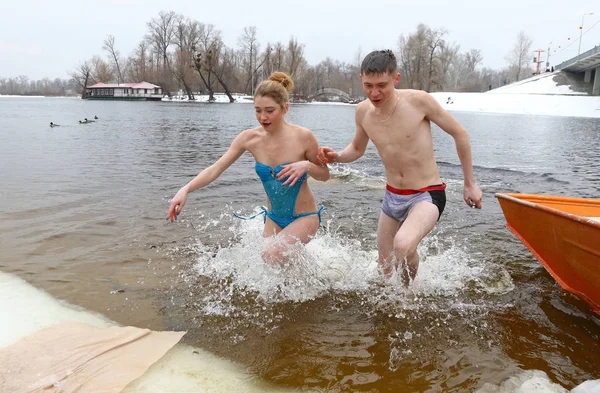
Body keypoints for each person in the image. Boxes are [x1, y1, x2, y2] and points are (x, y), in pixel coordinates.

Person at [317, 50, 482, 285]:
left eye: (382, 85)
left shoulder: (418, 101)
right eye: (368, 85)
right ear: (361, 78)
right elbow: (357, 147)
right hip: (392, 197)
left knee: (403, 246)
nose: (375, 93)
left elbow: (460, 133)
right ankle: (394, 306)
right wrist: (337, 157)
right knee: (383, 271)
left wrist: (470, 183)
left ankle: (408, 296)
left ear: (396, 79)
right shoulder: (363, 111)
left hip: (427, 194)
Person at [167, 72, 330, 265]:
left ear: (285, 108)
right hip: (273, 218)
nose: (263, 117)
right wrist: (185, 189)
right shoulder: (249, 139)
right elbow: (216, 168)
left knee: (271, 254)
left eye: (270, 111)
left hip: (305, 217)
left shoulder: (304, 137)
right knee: (272, 272)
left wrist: (307, 165)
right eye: (258, 110)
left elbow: (324, 175)